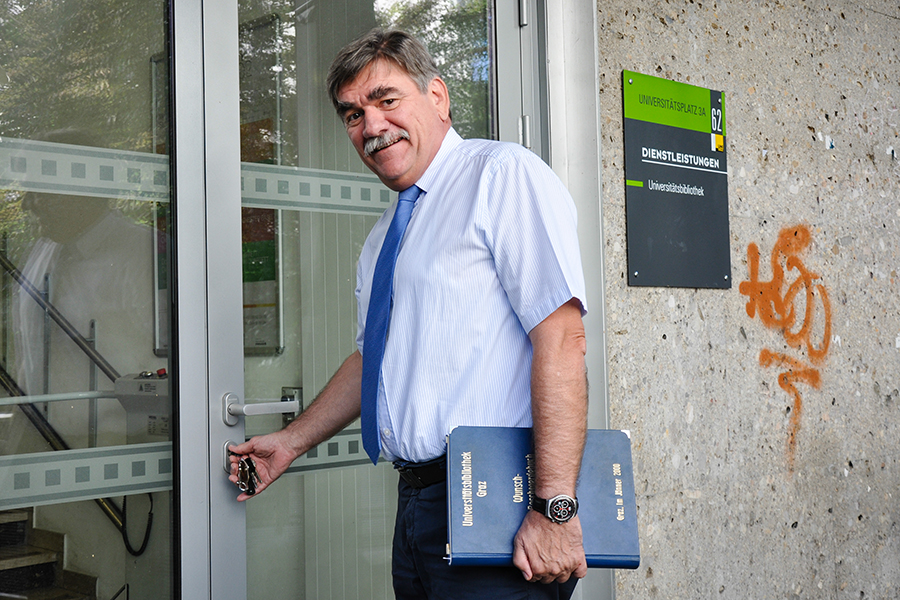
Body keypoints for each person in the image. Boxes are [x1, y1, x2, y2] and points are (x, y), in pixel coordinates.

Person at [229, 28, 589, 599]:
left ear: (438, 97)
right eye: (352, 114)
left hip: (501, 503)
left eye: (386, 100)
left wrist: (554, 508)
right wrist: (292, 442)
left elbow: (563, 337)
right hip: (417, 507)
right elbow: (374, 360)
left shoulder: (500, 175)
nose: (370, 126)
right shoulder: (382, 240)